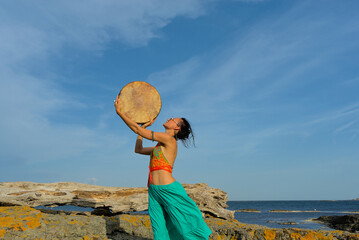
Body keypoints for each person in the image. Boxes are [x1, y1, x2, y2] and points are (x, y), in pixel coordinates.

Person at [114, 96, 212, 240]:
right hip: (154, 191)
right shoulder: (159, 146)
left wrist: (120, 113)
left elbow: (137, 130)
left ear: (177, 127)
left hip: (169, 189)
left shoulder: (169, 140)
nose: (169, 118)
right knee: (159, 229)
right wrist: (144, 127)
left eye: (173, 119)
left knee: (186, 224)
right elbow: (138, 149)